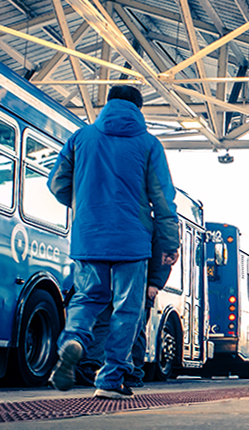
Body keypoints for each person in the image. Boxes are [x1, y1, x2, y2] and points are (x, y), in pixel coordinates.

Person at [47, 85, 180, 400]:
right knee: (127, 310)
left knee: (87, 299)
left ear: (107, 104)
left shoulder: (80, 138)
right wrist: (170, 243)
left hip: (89, 236)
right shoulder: (149, 144)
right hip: (132, 242)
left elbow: (57, 184)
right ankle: (109, 380)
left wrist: (84, 206)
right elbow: (163, 200)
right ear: (139, 108)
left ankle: (71, 342)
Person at [74, 240, 173, 388]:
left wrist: (154, 283)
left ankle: (133, 373)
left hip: (140, 285)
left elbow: (164, 258)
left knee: (135, 329)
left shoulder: (147, 227)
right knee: (104, 323)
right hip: (116, 282)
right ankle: (91, 365)